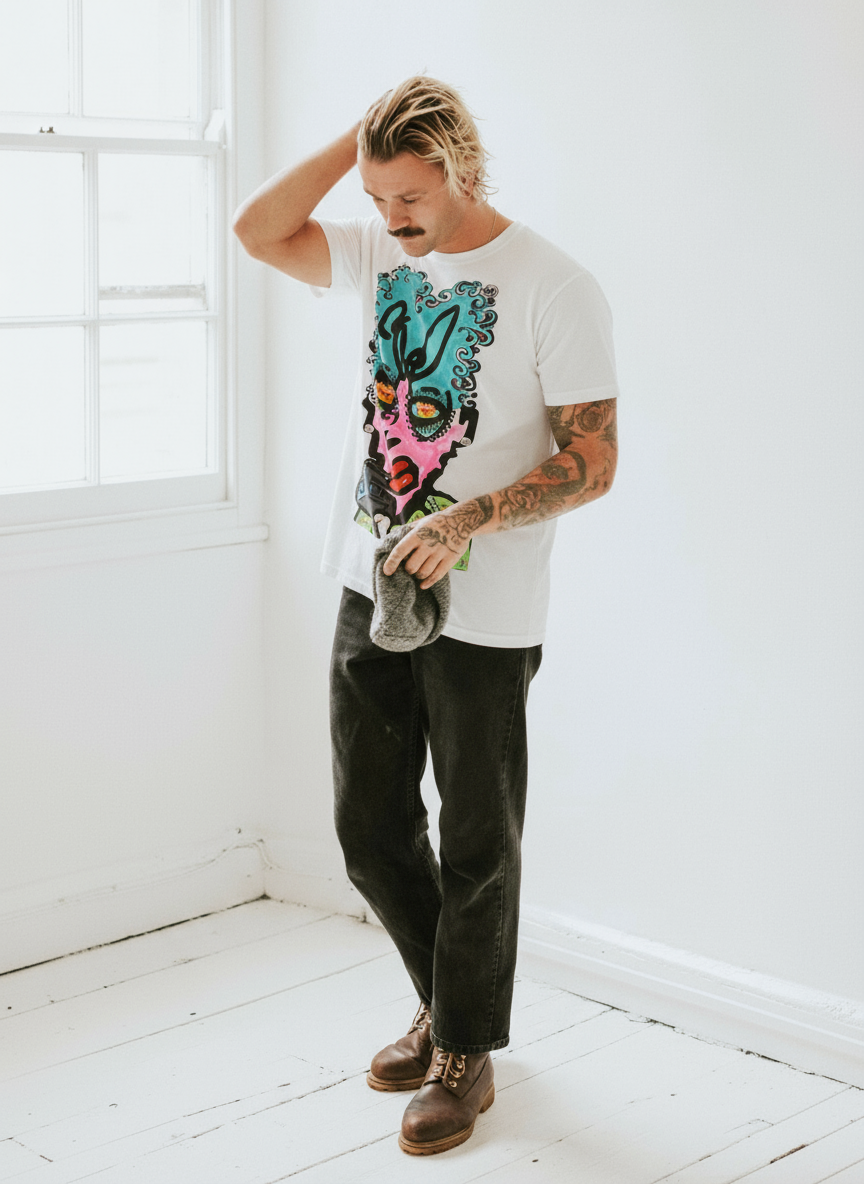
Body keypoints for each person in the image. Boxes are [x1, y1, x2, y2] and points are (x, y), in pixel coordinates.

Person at [233, 75, 619, 1156]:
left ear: (465, 169)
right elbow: (257, 228)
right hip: (370, 578)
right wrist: (350, 146)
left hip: (485, 608)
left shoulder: (556, 285)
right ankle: (451, 1008)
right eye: (377, 194)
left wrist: (472, 520)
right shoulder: (374, 251)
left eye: (410, 197)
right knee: (367, 823)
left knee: (479, 838)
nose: (391, 220)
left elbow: (594, 458)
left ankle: (463, 1053)